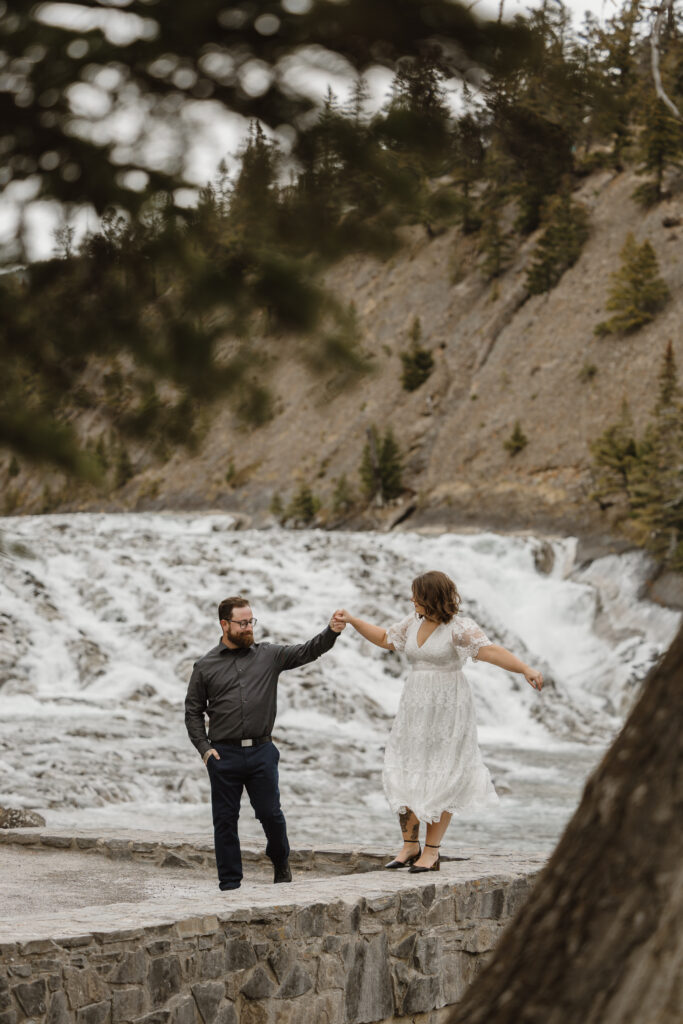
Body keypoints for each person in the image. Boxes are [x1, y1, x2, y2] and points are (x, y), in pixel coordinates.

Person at [332, 570, 543, 872]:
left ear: (431, 598)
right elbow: (383, 638)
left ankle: (431, 852)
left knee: (442, 773)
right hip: (415, 705)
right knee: (404, 769)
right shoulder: (411, 622)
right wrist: (352, 621)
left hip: (448, 705)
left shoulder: (459, 629)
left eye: (416, 595)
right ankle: (409, 846)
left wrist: (525, 669)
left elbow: (491, 651)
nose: (411, 599)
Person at [185, 595, 345, 891]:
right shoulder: (205, 666)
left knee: (271, 814)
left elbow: (308, 651)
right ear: (224, 624)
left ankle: (280, 859)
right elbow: (192, 712)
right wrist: (205, 750)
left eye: (251, 621)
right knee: (224, 821)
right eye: (242, 623)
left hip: (262, 751)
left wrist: (331, 630)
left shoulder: (269, 655)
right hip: (224, 755)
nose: (249, 628)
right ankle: (230, 884)